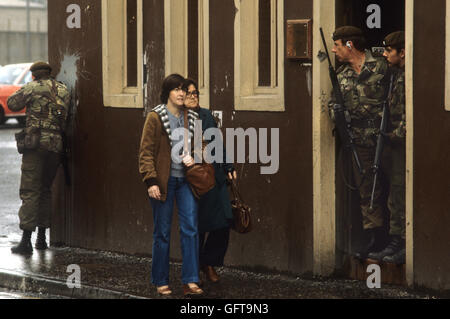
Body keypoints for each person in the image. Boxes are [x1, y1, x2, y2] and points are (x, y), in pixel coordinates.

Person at [139, 74, 203, 296]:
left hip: (186, 181)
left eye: (183, 89)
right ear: (167, 92)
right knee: (162, 232)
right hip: (163, 182)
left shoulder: (192, 118)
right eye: (176, 89)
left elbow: (200, 148)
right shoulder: (156, 117)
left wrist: (195, 156)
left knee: (191, 228)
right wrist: (151, 181)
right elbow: (145, 152)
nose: (181, 93)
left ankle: (191, 280)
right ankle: (160, 280)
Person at [328, 26, 389, 259]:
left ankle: (397, 238)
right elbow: (333, 105)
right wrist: (338, 115)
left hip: (386, 140)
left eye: (338, 45)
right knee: (368, 190)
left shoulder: (382, 67)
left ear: (350, 45)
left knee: (395, 186)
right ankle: (375, 236)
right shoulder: (341, 76)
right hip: (360, 143)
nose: (334, 50)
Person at [7, 61, 70, 255]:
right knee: (45, 189)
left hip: (35, 146)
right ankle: (42, 239)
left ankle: (26, 241)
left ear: (34, 75)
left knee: (30, 190)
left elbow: (12, 104)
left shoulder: (32, 87)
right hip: (55, 146)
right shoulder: (63, 90)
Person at [183, 79, 237, 283]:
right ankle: (195, 268)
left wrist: (228, 166)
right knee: (199, 225)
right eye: (189, 93)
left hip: (216, 174)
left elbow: (218, 142)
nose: (194, 95)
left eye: (195, 92)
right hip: (195, 177)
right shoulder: (179, 118)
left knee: (224, 221)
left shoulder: (206, 115)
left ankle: (209, 262)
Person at [368, 31, 406, 264]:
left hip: (401, 143)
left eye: (389, 51)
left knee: (400, 193)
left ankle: (401, 242)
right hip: (393, 143)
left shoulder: (408, 76)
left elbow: (409, 113)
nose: (385, 55)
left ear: (402, 52)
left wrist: (395, 135)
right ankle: (394, 241)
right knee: (393, 192)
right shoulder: (396, 75)